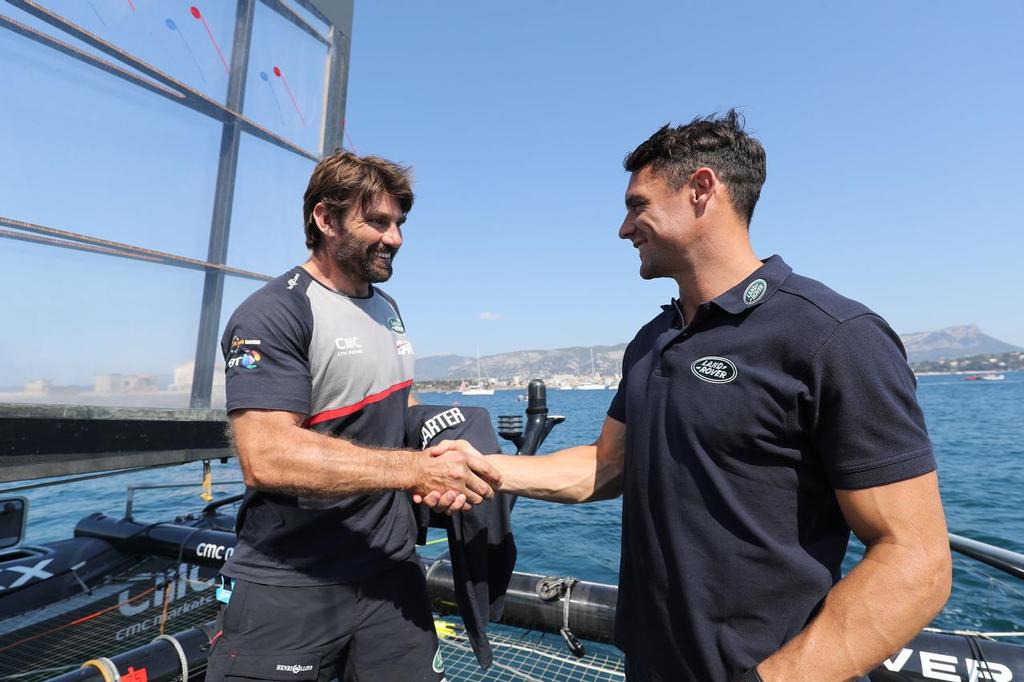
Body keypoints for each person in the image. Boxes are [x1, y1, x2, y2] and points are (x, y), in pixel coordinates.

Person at [423, 112, 952, 681]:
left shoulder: (833, 336)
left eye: (637, 205)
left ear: (702, 189)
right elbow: (608, 466)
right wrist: (485, 467)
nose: (624, 229)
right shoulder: (654, 341)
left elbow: (916, 561)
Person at [205, 151, 500, 682]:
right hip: (290, 582)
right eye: (377, 222)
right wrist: (417, 471)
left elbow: (396, 413)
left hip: (389, 574)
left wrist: (445, 452)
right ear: (325, 219)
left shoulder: (387, 308)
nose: (395, 238)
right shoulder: (274, 312)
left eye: (399, 224)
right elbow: (267, 457)